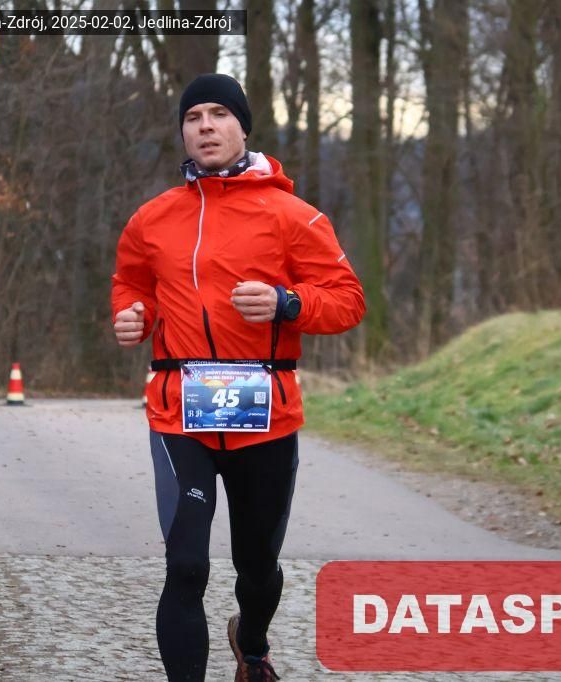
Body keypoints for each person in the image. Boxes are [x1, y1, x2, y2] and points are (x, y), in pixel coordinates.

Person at [111, 74, 365, 681]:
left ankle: (251, 647)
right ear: (182, 131)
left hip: (265, 416)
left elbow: (348, 301)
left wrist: (288, 303)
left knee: (257, 567)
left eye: (219, 114)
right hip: (180, 415)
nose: (205, 126)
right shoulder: (152, 219)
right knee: (186, 566)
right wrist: (133, 315)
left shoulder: (294, 216)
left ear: (242, 127)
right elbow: (132, 284)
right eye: (192, 116)